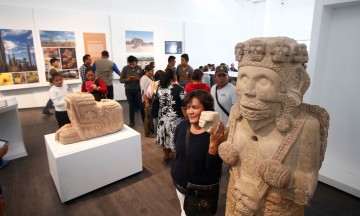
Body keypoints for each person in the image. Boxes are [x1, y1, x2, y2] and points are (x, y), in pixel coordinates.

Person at [218, 37, 330, 215]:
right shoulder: (236, 114)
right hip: (235, 200)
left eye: (263, 81)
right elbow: (234, 161)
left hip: (275, 208)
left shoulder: (305, 125)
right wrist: (227, 151)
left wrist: (287, 180)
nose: (248, 91)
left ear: (295, 83)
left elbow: (307, 185)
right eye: (243, 78)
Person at [171, 90, 227, 216]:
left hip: (200, 191)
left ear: (207, 110)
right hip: (180, 183)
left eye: (195, 107)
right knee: (184, 211)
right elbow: (178, 151)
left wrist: (213, 145)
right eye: (188, 107)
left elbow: (214, 171)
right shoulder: (182, 125)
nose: (190, 111)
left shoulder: (214, 134)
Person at [156, 68, 186, 164]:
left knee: (164, 137)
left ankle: (166, 156)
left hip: (162, 118)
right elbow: (183, 107)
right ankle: (176, 159)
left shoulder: (159, 88)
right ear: (174, 76)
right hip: (175, 120)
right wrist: (187, 120)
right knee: (175, 140)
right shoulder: (180, 89)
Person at [120, 55, 145, 127]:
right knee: (131, 106)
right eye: (130, 64)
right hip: (128, 90)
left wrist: (138, 79)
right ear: (128, 63)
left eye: (133, 64)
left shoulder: (139, 68)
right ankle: (132, 122)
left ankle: (144, 120)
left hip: (138, 90)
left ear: (136, 63)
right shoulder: (125, 68)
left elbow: (143, 79)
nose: (132, 66)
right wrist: (126, 80)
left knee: (141, 105)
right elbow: (121, 80)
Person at [147, 70, 165, 136]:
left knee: (155, 121)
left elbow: (149, 95)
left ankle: (156, 136)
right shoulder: (166, 84)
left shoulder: (152, 84)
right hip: (164, 106)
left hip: (155, 105)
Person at [140, 65, 155, 137]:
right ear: (147, 71)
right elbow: (143, 91)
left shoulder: (148, 78)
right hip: (147, 100)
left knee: (150, 116)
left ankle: (151, 131)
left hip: (149, 99)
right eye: (151, 71)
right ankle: (148, 133)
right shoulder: (145, 79)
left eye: (153, 71)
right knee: (148, 117)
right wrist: (146, 102)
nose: (153, 72)